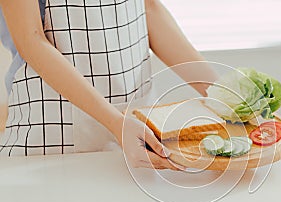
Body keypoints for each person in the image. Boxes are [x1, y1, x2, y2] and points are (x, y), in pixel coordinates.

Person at [0, 0, 216, 169]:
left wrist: (222, 92)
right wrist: (115, 123)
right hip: (54, 139)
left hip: (135, 131)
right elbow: (31, 39)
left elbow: (149, 8)